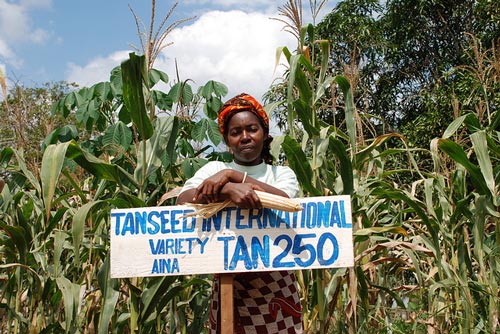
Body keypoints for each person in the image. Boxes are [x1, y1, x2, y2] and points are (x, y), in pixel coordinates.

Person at [177, 93, 303, 333]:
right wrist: (228, 190)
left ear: (264, 134)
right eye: (235, 133)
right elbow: (183, 200)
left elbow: (285, 202)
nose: (245, 137)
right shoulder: (214, 169)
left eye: (252, 129)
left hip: (276, 284)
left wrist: (235, 176)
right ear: (227, 140)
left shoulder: (281, 174)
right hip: (228, 281)